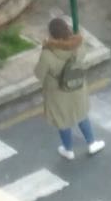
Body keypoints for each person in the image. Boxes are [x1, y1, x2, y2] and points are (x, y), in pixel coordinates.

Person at [34, 17, 105, 161]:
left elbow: (39, 74)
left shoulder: (47, 54)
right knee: (81, 115)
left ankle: (68, 150)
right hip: (76, 86)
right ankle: (91, 143)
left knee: (62, 120)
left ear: (51, 34)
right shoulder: (78, 46)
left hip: (57, 93)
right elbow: (83, 56)